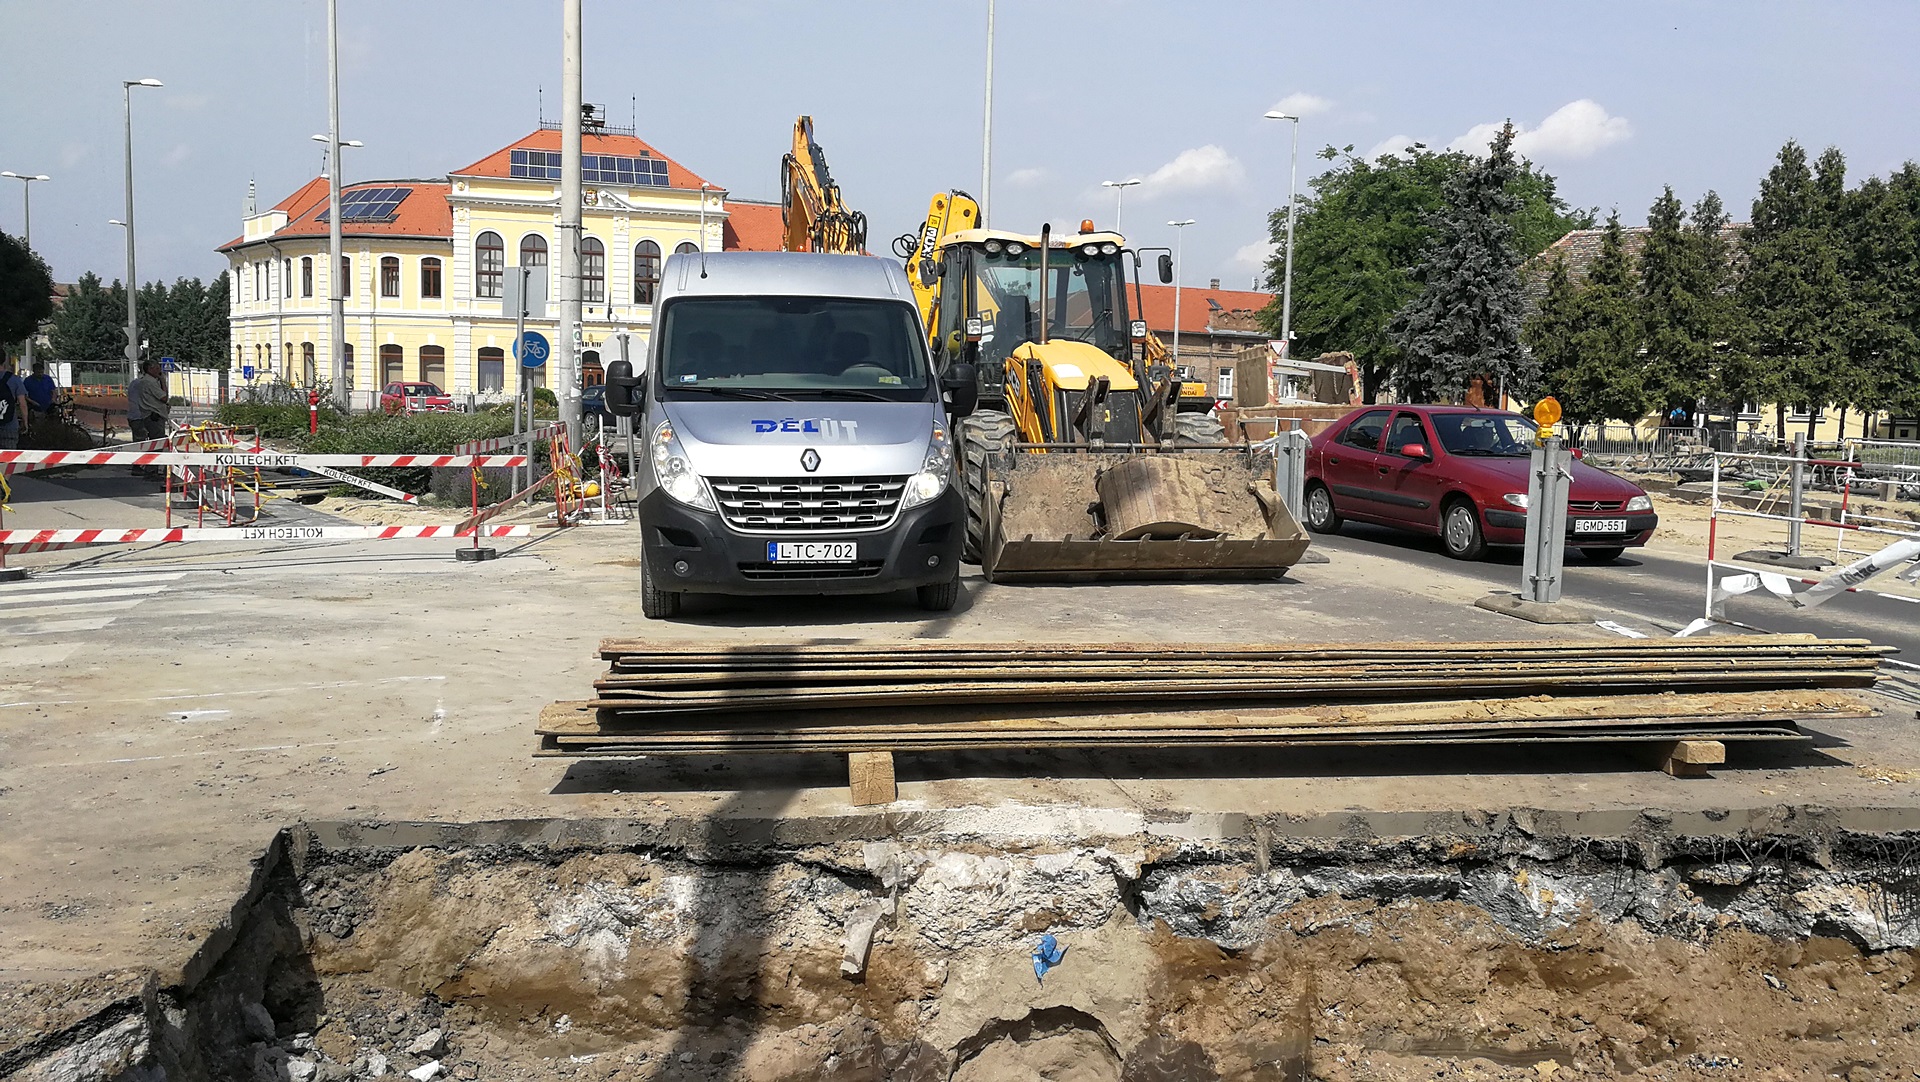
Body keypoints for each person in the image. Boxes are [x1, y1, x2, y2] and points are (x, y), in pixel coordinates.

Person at [126, 359, 171, 476]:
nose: (159, 370)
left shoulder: (140, 382)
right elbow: (163, 397)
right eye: (156, 368)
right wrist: (163, 381)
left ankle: (145, 468)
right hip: (149, 416)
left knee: (144, 443)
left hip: (142, 415)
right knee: (154, 443)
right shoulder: (149, 382)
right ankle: (149, 469)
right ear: (150, 369)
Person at [0, 355, 26, 451]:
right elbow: (22, 404)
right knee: (9, 459)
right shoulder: (14, 379)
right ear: (4, 361)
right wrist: (25, 422)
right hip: (10, 426)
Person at [23, 361, 56, 426]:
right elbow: (24, 395)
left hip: (48, 406)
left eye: (42, 372)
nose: (40, 374)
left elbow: (53, 391)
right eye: (38, 372)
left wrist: (53, 400)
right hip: (35, 407)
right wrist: (32, 402)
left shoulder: (48, 379)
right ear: (34, 371)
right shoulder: (28, 381)